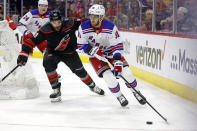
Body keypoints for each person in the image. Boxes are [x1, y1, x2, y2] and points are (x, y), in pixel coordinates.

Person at [17, 10, 104, 102]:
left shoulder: (70, 23)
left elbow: (85, 22)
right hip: (53, 52)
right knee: (47, 62)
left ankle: (92, 86)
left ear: (61, 20)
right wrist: (24, 53)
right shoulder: (45, 29)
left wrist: (97, 24)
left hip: (70, 52)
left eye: (58, 22)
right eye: (54, 22)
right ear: (50, 22)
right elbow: (31, 41)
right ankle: (56, 90)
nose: (57, 24)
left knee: (81, 72)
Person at [77, 4, 146, 107]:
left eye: (95, 16)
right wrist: (94, 51)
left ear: (101, 17)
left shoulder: (110, 27)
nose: (92, 19)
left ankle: (136, 92)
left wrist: (117, 61)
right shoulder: (83, 27)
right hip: (96, 57)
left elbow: (117, 45)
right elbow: (81, 45)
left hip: (111, 53)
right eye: (91, 16)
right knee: (108, 77)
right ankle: (119, 95)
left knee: (127, 73)